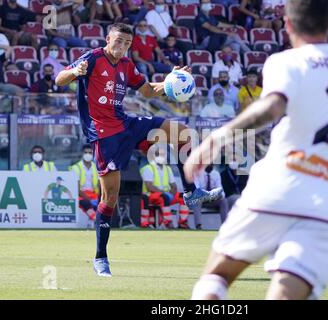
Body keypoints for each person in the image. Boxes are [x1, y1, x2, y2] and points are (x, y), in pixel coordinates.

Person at [184, 0, 328, 300]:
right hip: (326, 204)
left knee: (216, 278)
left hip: (276, 189)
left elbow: (273, 105)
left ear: (287, 24)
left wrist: (216, 139)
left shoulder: (286, 61)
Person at [55, 23, 223, 277]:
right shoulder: (92, 58)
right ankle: (101, 257)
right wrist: (75, 72)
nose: (122, 46)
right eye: (118, 41)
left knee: (182, 134)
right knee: (110, 197)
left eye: (126, 43)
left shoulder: (126, 66)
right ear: (108, 38)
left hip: (126, 123)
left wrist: (169, 82)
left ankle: (190, 192)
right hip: (104, 133)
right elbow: (59, 79)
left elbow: (146, 90)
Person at [139, 145, 190, 229]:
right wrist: (165, 193)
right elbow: (149, 187)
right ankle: (167, 222)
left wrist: (172, 194)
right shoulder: (148, 168)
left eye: (163, 155)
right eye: (159, 155)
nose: (162, 157)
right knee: (164, 197)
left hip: (165, 195)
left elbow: (173, 186)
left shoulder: (167, 169)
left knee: (183, 197)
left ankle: (183, 222)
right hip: (151, 195)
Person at [70, 144, 100, 228]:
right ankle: (96, 220)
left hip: (94, 194)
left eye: (90, 152)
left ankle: (95, 220)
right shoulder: (75, 168)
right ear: (82, 154)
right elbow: (76, 188)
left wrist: (99, 198)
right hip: (81, 195)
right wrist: (89, 199)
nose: (88, 154)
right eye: (86, 152)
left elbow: (99, 185)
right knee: (86, 203)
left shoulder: (96, 167)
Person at [192, 165, 228, 230]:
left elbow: (220, 190)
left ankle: (225, 226)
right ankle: (198, 226)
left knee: (223, 201)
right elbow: (197, 189)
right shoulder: (197, 173)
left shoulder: (216, 174)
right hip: (201, 198)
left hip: (213, 198)